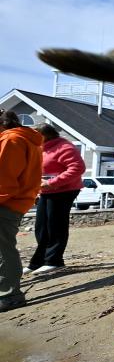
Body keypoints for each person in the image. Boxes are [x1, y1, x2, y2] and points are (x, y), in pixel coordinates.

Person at [0, 110, 43, 313]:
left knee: (3, 249)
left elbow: (4, 181)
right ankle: (8, 292)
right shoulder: (23, 139)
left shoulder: (11, 140)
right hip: (15, 202)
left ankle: (9, 295)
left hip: (6, 203)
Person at [29, 123, 86, 275]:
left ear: (44, 135)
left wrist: (51, 183)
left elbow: (78, 168)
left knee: (55, 225)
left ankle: (54, 261)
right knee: (41, 227)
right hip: (46, 192)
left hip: (64, 191)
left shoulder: (64, 147)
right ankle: (38, 262)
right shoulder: (40, 147)